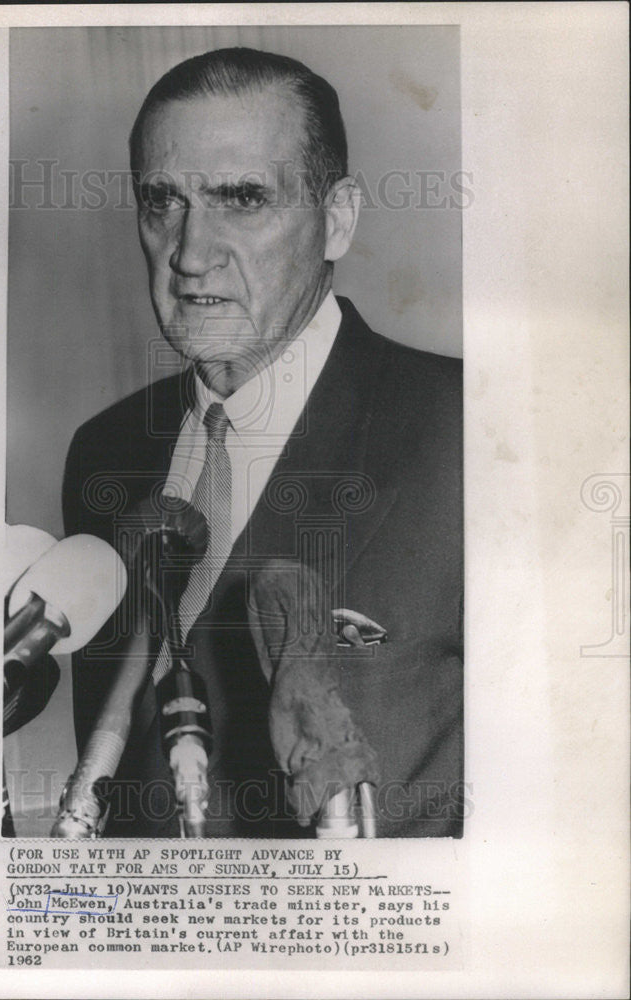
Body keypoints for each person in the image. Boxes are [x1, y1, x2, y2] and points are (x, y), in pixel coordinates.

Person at [62, 47, 463, 838]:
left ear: (337, 219)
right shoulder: (103, 455)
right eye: (162, 202)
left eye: (242, 199)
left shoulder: (469, 430)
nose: (188, 253)